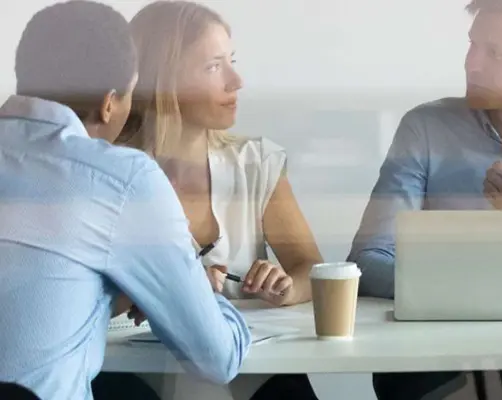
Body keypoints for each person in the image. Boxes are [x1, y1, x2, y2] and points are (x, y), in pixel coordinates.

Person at [348, 0, 502, 399]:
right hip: (442, 351)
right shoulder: (425, 128)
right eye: (472, 45)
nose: (472, 64)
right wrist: (462, 292)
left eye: (494, 53)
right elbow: (368, 259)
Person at [0, 2, 251, 400]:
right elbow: (218, 358)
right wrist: (201, 294)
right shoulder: (122, 179)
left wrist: (110, 297)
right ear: (109, 103)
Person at [109, 1, 323, 399]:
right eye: (213, 67)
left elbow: (311, 268)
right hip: (139, 375)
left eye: (231, 62)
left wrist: (286, 287)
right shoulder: (107, 174)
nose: (235, 81)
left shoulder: (257, 164)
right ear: (163, 81)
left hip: (252, 372)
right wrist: (178, 291)